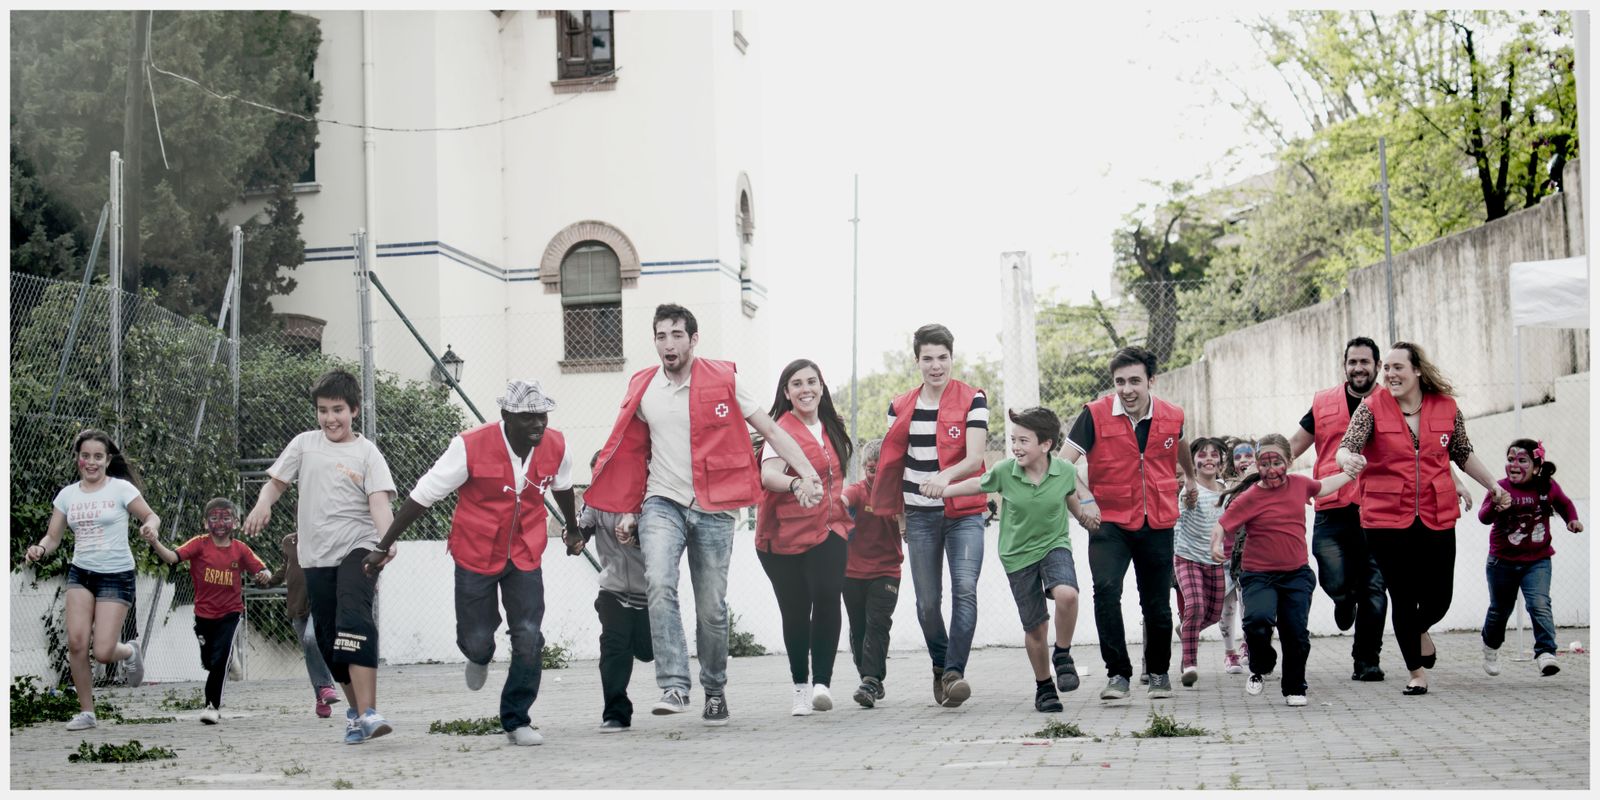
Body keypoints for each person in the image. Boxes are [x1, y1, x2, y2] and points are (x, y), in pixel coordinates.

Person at [587, 303, 823, 727]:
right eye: (661, 336)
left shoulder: (725, 379)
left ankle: (714, 690)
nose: (668, 344)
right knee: (659, 582)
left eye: (677, 335)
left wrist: (806, 473)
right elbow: (630, 451)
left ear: (693, 339)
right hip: (662, 501)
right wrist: (628, 508)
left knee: (711, 608)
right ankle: (675, 686)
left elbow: (771, 429)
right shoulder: (644, 386)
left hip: (715, 506)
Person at [367, 380, 576, 747]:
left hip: (525, 550)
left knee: (529, 635)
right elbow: (423, 495)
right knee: (477, 640)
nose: (538, 424)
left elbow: (562, 487)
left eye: (542, 415)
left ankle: (517, 720)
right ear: (506, 416)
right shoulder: (469, 446)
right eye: (528, 417)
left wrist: (572, 530)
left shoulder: (557, 445)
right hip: (476, 550)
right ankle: (479, 656)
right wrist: (384, 545)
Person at [1335, 342, 1510, 696]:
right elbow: (1347, 446)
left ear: (1417, 370)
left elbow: (1462, 453)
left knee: (1440, 597)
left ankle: (1417, 630)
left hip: (1436, 512)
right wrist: (1346, 460)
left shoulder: (1446, 408)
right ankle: (1416, 673)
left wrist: (1493, 485)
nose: (1390, 374)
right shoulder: (1371, 407)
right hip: (1385, 518)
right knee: (1402, 595)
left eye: (1398, 367)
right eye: (1387, 368)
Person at [244, 368, 397, 743]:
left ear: (354, 410)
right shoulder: (304, 445)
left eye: (338, 410)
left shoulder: (367, 453)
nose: (330, 418)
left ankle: (370, 713)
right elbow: (276, 483)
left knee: (353, 618)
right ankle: (356, 713)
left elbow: (378, 502)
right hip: (315, 558)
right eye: (323, 410)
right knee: (329, 640)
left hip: (360, 547)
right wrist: (263, 504)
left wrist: (386, 540)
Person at [1063, 346, 1197, 701]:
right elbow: (1062, 465)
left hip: (1158, 519)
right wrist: (1085, 499)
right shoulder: (1093, 414)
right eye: (1120, 381)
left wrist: (1190, 478)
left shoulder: (1172, 414)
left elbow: (1181, 445)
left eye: (1135, 381)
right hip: (1108, 522)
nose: (1127, 389)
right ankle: (1118, 674)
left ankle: (1158, 673)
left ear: (1151, 381)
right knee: (1106, 592)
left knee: (1156, 603)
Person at [934, 407, 1084, 713]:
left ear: (1046, 444)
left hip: (1054, 545)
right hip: (1017, 556)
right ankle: (1044, 687)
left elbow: (1073, 493)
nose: (1015, 446)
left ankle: (1063, 654)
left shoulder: (1065, 471)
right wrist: (944, 490)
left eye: (1023, 441)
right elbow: (978, 484)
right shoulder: (1005, 470)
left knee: (1067, 594)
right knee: (1036, 627)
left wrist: (1086, 514)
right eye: (1013, 440)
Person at [872, 323, 989, 708]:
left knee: (965, 590)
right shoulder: (899, 405)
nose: (936, 366)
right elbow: (892, 464)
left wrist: (944, 477)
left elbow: (974, 457)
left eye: (942, 357)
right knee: (926, 603)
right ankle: (940, 664)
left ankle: (954, 673)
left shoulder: (973, 399)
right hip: (919, 517)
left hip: (964, 512)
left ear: (952, 358)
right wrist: (900, 517)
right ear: (917, 361)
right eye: (928, 359)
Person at [1209, 434, 1360, 707]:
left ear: (1289, 461)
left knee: (1295, 633)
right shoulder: (1250, 497)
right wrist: (1216, 543)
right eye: (1264, 464)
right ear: (1257, 464)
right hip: (1258, 576)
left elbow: (1324, 486)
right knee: (1257, 621)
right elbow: (1223, 524)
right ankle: (1262, 663)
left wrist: (1349, 474)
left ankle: (1295, 687)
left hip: (1296, 575)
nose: (1271, 470)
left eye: (1277, 462)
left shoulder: (1300, 484)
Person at [23, 429, 159, 731]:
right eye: (86, 456)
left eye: (98, 456)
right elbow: (53, 537)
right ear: (78, 459)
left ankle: (129, 651)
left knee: (103, 652)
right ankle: (87, 712)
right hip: (81, 573)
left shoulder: (121, 489)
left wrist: (150, 528)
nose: (91, 462)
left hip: (116, 574)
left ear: (108, 460)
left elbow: (151, 516)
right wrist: (40, 548)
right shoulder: (67, 495)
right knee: (76, 643)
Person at [754, 359, 853, 716]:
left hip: (829, 528)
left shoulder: (832, 426)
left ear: (822, 388)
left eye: (812, 382)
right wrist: (796, 483)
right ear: (786, 392)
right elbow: (769, 475)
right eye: (797, 384)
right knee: (796, 612)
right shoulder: (780, 430)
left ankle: (821, 684)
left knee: (828, 595)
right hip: (782, 537)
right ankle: (800, 687)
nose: (805, 389)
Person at [1287, 336, 1389, 682]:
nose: (1358, 368)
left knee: (1374, 586)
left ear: (1377, 366)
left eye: (1365, 362)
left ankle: (1367, 660)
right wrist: (1264, 471)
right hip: (1331, 504)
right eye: (1352, 362)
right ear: (1345, 366)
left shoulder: (1391, 402)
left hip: (1378, 506)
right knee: (1332, 575)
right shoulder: (1324, 402)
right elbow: (1295, 444)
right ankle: (1344, 599)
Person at [144, 498, 272, 723]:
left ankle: (212, 705)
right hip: (204, 615)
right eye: (214, 518)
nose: (220, 523)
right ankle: (227, 658)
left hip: (231, 613)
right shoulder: (199, 544)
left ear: (235, 522)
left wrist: (264, 575)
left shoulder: (240, 549)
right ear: (205, 523)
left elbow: (263, 570)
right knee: (209, 661)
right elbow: (172, 557)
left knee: (220, 659)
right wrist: (155, 542)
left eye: (226, 518)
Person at [1479, 439, 1582, 678]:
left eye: (1522, 460)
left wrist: (1572, 520)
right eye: (1510, 459)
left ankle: (1546, 652)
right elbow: (1484, 518)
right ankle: (1491, 647)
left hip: (1538, 560)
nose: (1514, 465)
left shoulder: (1547, 487)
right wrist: (1495, 505)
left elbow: (1564, 503)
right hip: (1502, 561)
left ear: (1536, 467)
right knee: (1499, 610)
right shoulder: (1499, 487)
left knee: (1539, 604)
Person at [576, 452, 654, 732]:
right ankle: (615, 713)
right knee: (613, 646)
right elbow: (580, 529)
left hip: (650, 592)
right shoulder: (595, 502)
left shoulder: (647, 500)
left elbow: (665, 542)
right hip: (613, 590)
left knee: (647, 650)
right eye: (596, 477)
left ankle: (637, 643)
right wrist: (574, 539)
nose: (600, 483)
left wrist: (636, 539)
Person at [840, 439, 901, 709]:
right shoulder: (857, 491)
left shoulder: (898, 493)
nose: (875, 475)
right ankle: (870, 679)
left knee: (878, 623)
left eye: (881, 470)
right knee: (859, 629)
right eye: (871, 469)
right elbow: (843, 499)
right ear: (864, 468)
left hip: (886, 571)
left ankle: (871, 681)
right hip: (852, 573)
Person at [1172, 437, 1229, 687]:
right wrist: (1189, 498)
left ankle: (1186, 629)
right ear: (1192, 461)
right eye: (1202, 455)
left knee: (1213, 614)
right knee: (1195, 605)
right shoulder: (1190, 489)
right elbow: (1187, 504)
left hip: (1214, 560)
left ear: (1221, 462)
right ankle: (1190, 664)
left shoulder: (1225, 490)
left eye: (1214, 455)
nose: (1208, 459)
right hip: (1187, 557)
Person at [265, 531, 341, 718]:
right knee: (310, 651)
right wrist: (269, 582)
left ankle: (326, 685)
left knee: (311, 639)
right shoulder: (288, 541)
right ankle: (321, 698)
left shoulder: (326, 535)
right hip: (297, 603)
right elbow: (286, 567)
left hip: (320, 600)